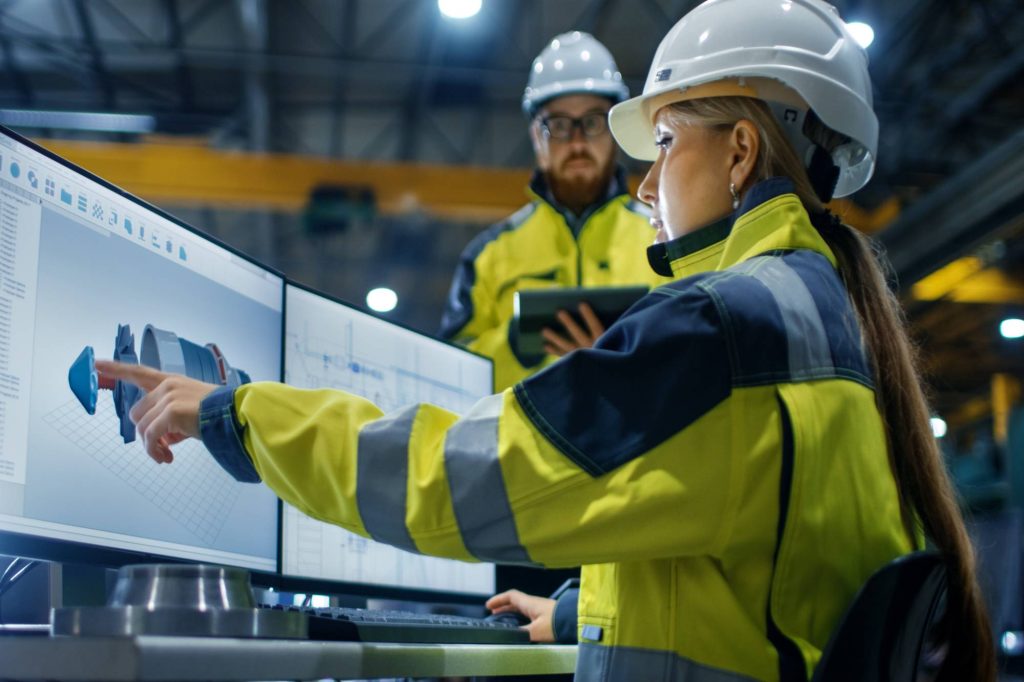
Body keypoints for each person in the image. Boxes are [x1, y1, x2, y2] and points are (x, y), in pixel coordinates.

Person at [97, 0, 996, 679]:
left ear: (740, 153)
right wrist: (587, 608)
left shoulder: (719, 328)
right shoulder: (829, 316)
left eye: (667, 140)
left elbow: (463, 476)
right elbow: (748, 557)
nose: (645, 186)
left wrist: (239, 417)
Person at [438, 31, 670, 393]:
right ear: (536, 136)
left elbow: (697, 355)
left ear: (613, 131)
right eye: (559, 126)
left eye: (593, 122)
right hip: (520, 447)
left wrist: (624, 359)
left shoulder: (664, 240)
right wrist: (511, 347)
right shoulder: (488, 257)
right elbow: (447, 377)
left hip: (633, 445)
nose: (577, 143)